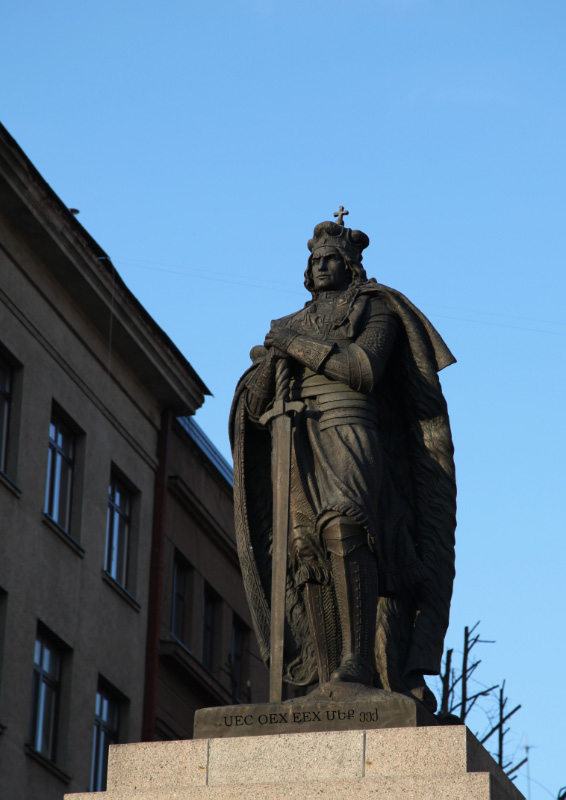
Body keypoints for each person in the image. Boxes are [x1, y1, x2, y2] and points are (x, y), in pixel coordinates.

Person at [230, 217, 456, 710]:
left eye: (330, 258)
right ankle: (330, 670)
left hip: (353, 427)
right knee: (305, 549)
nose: (320, 265)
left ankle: (358, 661)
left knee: (345, 528)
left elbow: (363, 369)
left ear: (351, 266)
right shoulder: (291, 322)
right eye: (313, 260)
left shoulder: (377, 311)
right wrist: (268, 365)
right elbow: (253, 406)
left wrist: (290, 344)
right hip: (296, 436)